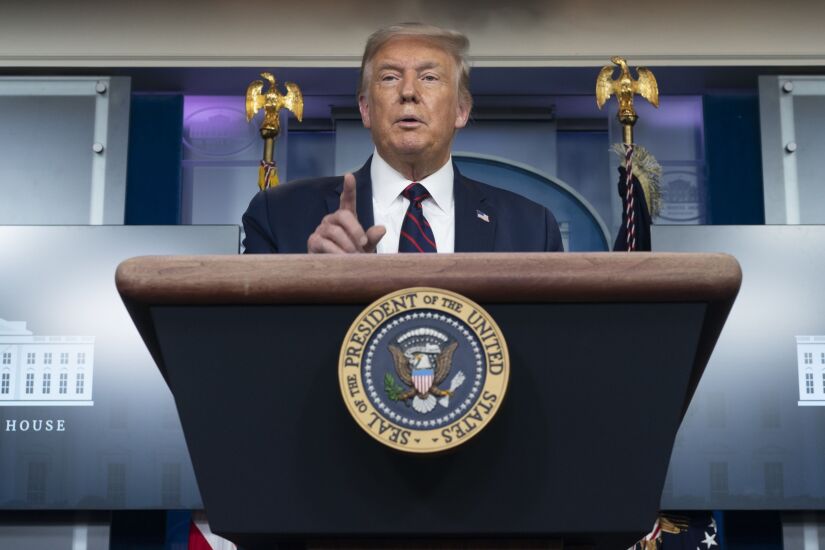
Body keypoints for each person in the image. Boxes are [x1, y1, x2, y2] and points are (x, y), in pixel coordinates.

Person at [242, 22, 563, 254]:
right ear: (366, 109)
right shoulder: (279, 214)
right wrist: (317, 281)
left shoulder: (532, 226)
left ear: (461, 111)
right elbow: (252, 339)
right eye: (390, 77)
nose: (408, 92)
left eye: (429, 77)